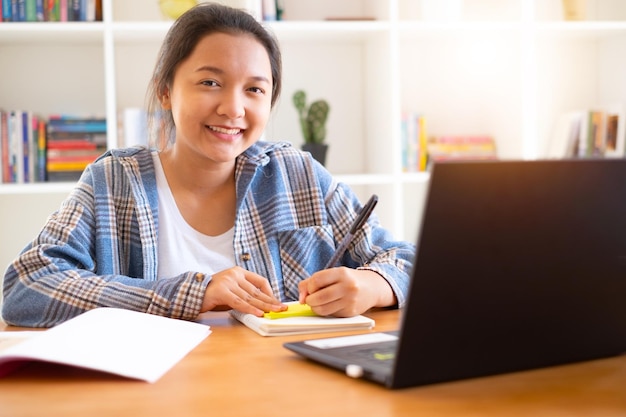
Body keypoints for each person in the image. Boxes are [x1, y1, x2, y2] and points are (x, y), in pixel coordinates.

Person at [1, 3, 415, 328]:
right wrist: (192, 294)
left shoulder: (297, 174)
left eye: (254, 89)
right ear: (166, 91)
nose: (233, 108)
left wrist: (371, 285)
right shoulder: (114, 182)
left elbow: (409, 260)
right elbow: (25, 287)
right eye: (210, 82)